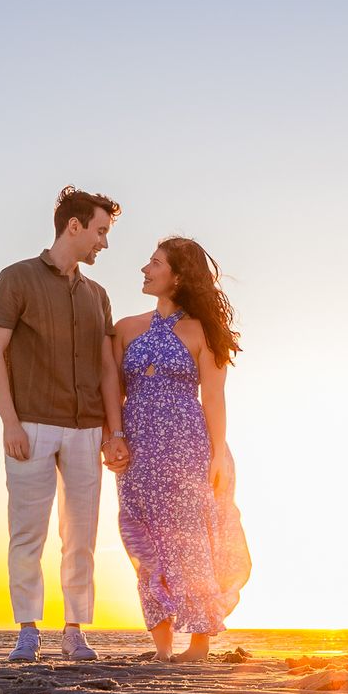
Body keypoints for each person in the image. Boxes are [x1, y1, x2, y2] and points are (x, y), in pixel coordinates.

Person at [0, 186, 131, 662]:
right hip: (30, 423)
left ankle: (74, 631)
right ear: (74, 226)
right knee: (27, 532)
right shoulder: (16, 279)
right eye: (100, 231)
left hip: (87, 429)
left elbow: (109, 369)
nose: (104, 243)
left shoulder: (98, 295)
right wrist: (9, 422)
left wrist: (114, 431)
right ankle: (27, 629)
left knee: (81, 535)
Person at [109, 237, 252, 661]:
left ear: (178, 275)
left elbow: (214, 398)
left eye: (154, 263)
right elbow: (112, 392)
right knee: (143, 540)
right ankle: (162, 646)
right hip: (138, 450)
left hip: (187, 450)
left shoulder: (203, 332)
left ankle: (200, 644)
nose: (145, 269)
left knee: (191, 542)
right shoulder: (125, 329)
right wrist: (112, 438)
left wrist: (216, 455)